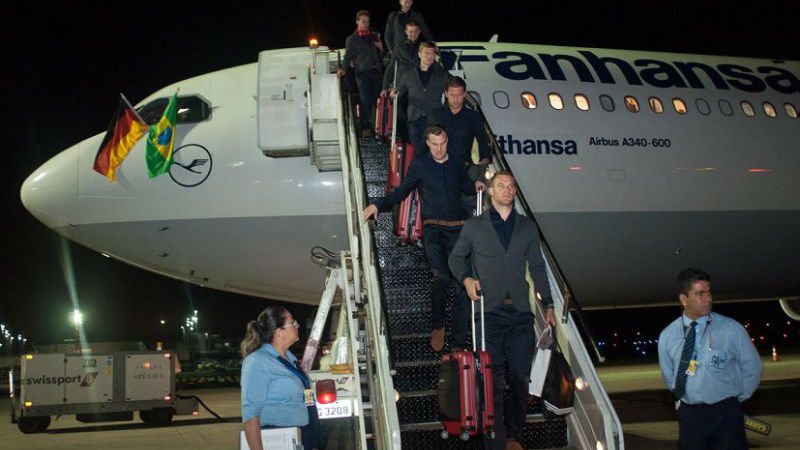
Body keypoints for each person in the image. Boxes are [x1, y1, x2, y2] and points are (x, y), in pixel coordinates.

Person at [449, 170, 556, 450]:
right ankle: (495, 442)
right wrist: (467, 279)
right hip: (488, 315)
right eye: (501, 186)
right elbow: (455, 258)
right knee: (491, 380)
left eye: (511, 186)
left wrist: (549, 306)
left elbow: (537, 267)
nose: (507, 190)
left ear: (514, 191)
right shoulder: (474, 226)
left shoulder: (527, 227)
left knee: (521, 377)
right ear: (491, 192)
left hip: (520, 314)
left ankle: (513, 435)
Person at [363, 125, 484, 352]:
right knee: (441, 277)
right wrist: (377, 204)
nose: (439, 149)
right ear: (428, 143)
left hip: (459, 229)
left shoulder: (457, 163)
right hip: (434, 230)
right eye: (434, 144)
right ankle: (438, 325)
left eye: (442, 144)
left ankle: (458, 344)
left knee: (462, 285)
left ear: (447, 141)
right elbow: (401, 192)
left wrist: (477, 185)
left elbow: (467, 187)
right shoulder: (420, 166)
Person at [657, 268, 762, 450]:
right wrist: (682, 404)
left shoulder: (731, 329)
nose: (708, 298)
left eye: (709, 292)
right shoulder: (668, 336)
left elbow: (753, 368)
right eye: (700, 294)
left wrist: (736, 401)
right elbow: (669, 376)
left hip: (726, 413)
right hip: (690, 417)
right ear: (684, 299)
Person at [241, 306, 323, 450]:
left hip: (302, 432)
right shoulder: (257, 361)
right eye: (292, 323)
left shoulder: (290, 360)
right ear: (278, 332)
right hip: (279, 436)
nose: (297, 326)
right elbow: (251, 415)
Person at [393, 42, 447, 153]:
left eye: (432, 53)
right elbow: (398, 91)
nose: (429, 56)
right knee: (418, 151)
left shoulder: (442, 75)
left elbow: (452, 90)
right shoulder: (408, 75)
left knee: (433, 150)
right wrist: (392, 93)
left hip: (434, 118)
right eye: (426, 53)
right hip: (414, 119)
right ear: (419, 54)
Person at [339, 10, 384, 137]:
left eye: (368, 21)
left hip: (376, 72)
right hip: (362, 73)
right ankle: (365, 127)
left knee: (379, 100)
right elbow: (348, 56)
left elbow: (382, 56)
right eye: (363, 21)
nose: (366, 24)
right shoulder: (351, 39)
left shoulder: (373, 36)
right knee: (365, 100)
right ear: (357, 22)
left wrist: (381, 49)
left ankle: (379, 127)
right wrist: (343, 68)